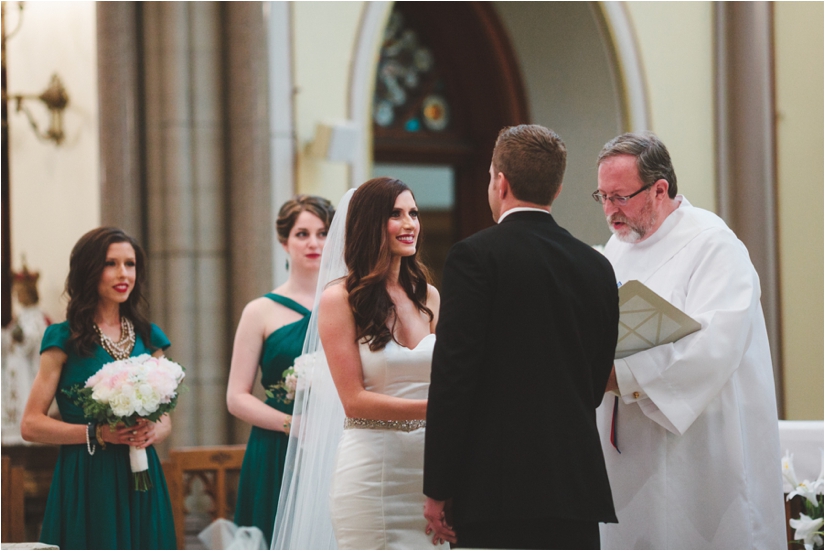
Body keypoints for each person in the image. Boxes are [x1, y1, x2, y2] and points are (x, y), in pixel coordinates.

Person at [423, 124, 620, 550]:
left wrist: (437, 486)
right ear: (558, 187)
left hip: (495, 488)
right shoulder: (596, 266)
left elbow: (454, 378)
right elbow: (594, 381)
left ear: (501, 182)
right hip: (575, 487)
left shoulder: (474, 257)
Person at [593, 131, 786, 549]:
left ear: (659, 188)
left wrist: (622, 375)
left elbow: (713, 348)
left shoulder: (714, 247)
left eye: (620, 197)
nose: (610, 211)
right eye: (602, 197)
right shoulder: (615, 248)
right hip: (628, 448)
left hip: (698, 450)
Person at [21, 227, 176, 549]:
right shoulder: (63, 338)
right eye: (111, 264)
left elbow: (166, 418)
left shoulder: (149, 336)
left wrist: (153, 431)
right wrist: (98, 434)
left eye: (130, 264)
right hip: (88, 478)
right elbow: (31, 424)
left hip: (143, 477)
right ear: (88, 270)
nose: (124, 274)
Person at [226, 194, 334, 546]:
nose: (314, 243)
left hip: (335, 442)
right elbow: (236, 397)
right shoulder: (260, 311)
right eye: (303, 234)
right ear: (284, 241)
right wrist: (293, 425)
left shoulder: (351, 304)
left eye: (323, 233)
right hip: (276, 448)